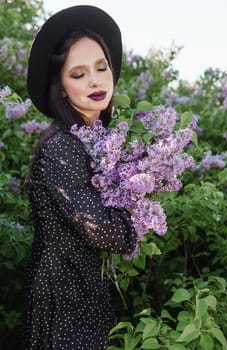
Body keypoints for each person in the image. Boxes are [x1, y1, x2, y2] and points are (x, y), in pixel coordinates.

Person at [24, 5, 137, 350]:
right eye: (78, 74)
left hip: (84, 286)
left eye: (101, 67)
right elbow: (103, 231)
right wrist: (135, 215)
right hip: (64, 292)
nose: (94, 80)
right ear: (60, 87)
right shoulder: (61, 145)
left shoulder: (88, 142)